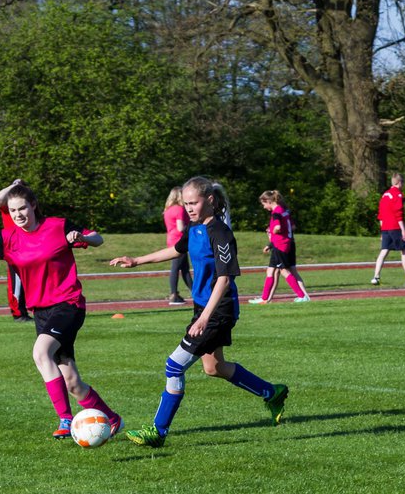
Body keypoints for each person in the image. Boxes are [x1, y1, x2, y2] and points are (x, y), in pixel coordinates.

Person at [109, 176, 289, 447]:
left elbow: (225, 279)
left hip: (219, 310)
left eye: (194, 202)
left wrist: (205, 318)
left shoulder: (221, 232)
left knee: (174, 365)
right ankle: (271, 392)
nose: (189, 208)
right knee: (214, 367)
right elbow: (175, 249)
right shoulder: (194, 228)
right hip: (204, 308)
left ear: (210, 200)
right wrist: (137, 260)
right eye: (186, 203)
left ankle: (158, 431)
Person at [0, 182, 122, 439]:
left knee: (40, 352)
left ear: (33, 206)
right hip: (41, 312)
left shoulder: (57, 226)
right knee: (73, 383)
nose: (18, 215)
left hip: (68, 304)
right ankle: (112, 419)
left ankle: (65, 419)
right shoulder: (7, 238)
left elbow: (98, 238)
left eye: (22, 208)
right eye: (12, 211)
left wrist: (82, 237)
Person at [250, 190, 310, 304]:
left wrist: (272, 231)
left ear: (268, 201)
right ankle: (264, 299)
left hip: (280, 245)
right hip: (281, 243)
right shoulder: (284, 211)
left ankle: (302, 296)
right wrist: (270, 244)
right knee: (270, 271)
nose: (263, 207)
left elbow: (277, 227)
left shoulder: (276, 212)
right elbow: (292, 227)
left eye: (263, 204)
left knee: (284, 271)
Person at [371, 172, 405, 286]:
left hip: (385, 227)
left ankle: (375, 277)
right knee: (404, 250)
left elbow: (380, 215)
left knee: (384, 251)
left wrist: (382, 230)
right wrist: (403, 229)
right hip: (395, 226)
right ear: (399, 182)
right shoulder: (398, 194)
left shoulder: (385, 194)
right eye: (403, 182)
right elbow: (398, 213)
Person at [0, 179, 31, 321]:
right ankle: (19, 313)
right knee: (18, 281)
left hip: (31, 245)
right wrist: (14, 186)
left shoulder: (26, 205)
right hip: (15, 246)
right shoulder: (8, 207)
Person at [162, 187, 191, 305]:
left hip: (171, 239)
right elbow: (180, 227)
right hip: (179, 241)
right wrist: (192, 227)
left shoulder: (168, 209)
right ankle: (173, 294)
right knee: (176, 268)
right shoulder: (180, 209)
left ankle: (195, 291)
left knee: (184, 269)